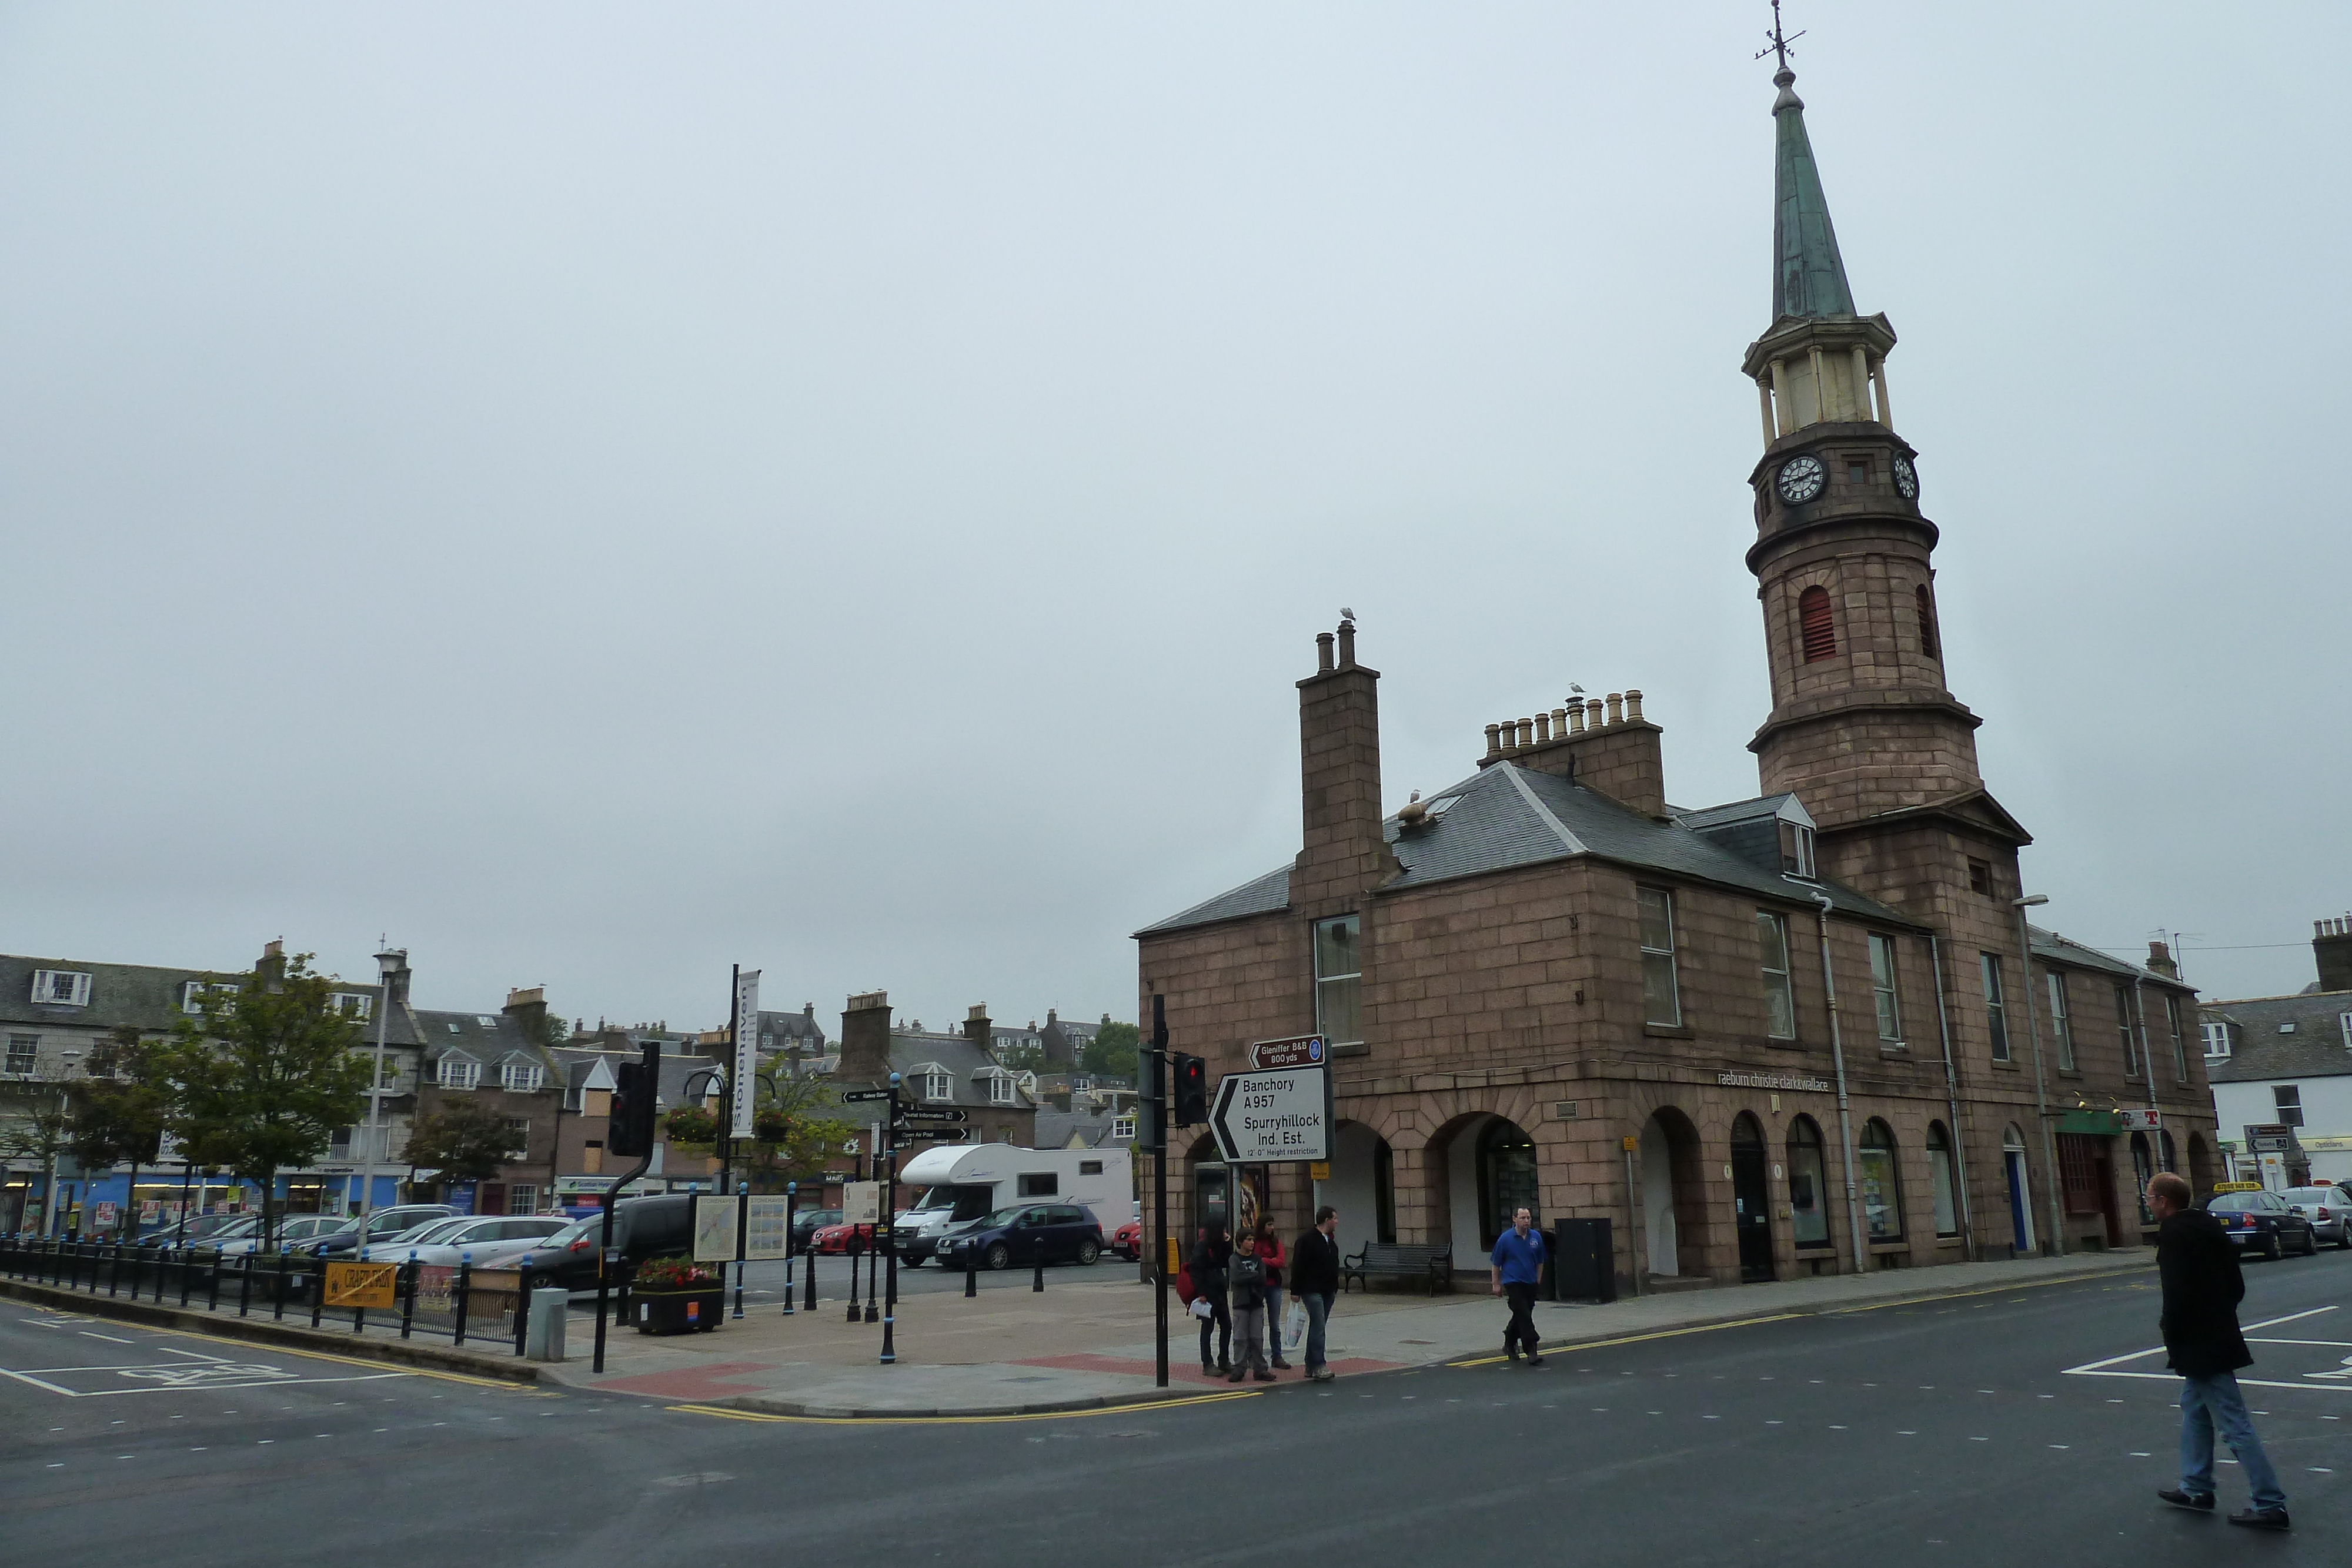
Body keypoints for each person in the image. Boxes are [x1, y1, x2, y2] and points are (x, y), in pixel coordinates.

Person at [2149, 1173, 2288, 1530]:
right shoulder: (2210, 1227)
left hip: (2199, 1342)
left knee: (2234, 1423)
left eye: (2149, 1197)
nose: (2147, 1203)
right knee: (2194, 1409)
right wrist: (2219, 1313)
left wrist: (2173, 1332)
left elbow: (2176, 1294)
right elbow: (2236, 1285)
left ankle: (2270, 1503)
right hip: (2219, 1332)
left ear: (2164, 1201)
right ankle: (2196, 1487)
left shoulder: (2174, 1234)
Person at [1489, 1206, 1546, 1366]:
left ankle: (1509, 1341)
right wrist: (1496, 1284)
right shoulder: (1505, 1239)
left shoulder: (1536, 1238)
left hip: (1530, 1282)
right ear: (1515, 1219)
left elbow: (1540, 1262)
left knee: (1522, 1314)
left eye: (1528, 1218)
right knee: (1524, 1314)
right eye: (1522, 1218)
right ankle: (1531, 1350)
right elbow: (1496, 1264)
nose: (1526, 1221)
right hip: (1513, 1282)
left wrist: (1538, 1281)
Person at [1291, 1205, 1342, 1382]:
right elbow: (1298, 1265)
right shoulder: (1307, 1240)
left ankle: (1310, 1364)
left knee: (1317, 1327)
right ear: (1327, 1220)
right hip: (1311, 1289)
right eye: (1335, 1218)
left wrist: (1335, 1286)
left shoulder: (1330, 1241)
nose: (1337, 1222)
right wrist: (1295, 1290)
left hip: (1328, 1289)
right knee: (1319, 1326)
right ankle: (1319, 1364)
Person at [1227, 1233, 1275, 1382]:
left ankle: (1260, 1368)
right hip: (1241, 1302)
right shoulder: (1234, 1259)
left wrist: (1248, 1276)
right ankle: (1239, 1368)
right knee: (1240, 1338)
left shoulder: (1257, 1259)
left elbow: (1263, 1277)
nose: (1252, 1242)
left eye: (1253, 1239)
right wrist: (1253, 1275)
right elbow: (1235, 1278)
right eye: (1248, 1240)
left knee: (1257, 1337)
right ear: (1241, 1242)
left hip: (1256, 1302)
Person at [1189, 1222, 1232, 1378]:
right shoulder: (1202, 1247)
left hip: (1220, 1292)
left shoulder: (1219, 1245)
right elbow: (1195, 1270)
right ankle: (1207, 1363)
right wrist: (1201, 1292)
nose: (1225, 1233)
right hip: (1207, 1293)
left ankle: (1224, 1360)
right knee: (1208, 1328)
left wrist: (1228, 1244)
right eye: (1223, 1230)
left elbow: (1227, 1261)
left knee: (1227, 1326)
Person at [1254, 1217, 1292, 1371]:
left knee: (1275, 1323)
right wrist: (1269, 1260)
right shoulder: (1255, 1241)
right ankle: (1255, 1356)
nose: (1271, 1228)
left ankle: (1277, 1356)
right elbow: (1254, 1259)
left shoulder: (1275, 1242)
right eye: (1269, 1225)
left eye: (1272, 1225)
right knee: (1257, 1322)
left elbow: (1281, 1262)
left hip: (1274, 1284)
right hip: (1258, 1284)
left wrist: (1265, 1261)